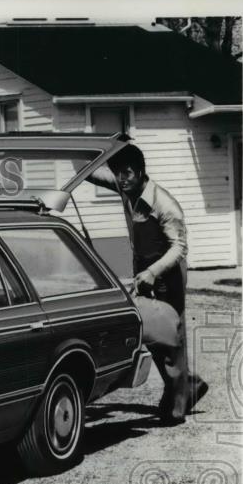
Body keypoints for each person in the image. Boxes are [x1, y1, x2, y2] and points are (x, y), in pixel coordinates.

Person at [90, 143, 207, 424]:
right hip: (143, 269)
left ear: (141, 172)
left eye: (127, 172)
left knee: (172, 335)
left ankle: (178, 401)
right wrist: (83, 152)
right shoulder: (125, 187)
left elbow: (179, 247)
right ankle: (186, 385)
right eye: (118, 173)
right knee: (152, 331)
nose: (121, 178)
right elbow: (93, 174)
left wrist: (154, 272)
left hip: (167, 272)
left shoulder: (164, 203)